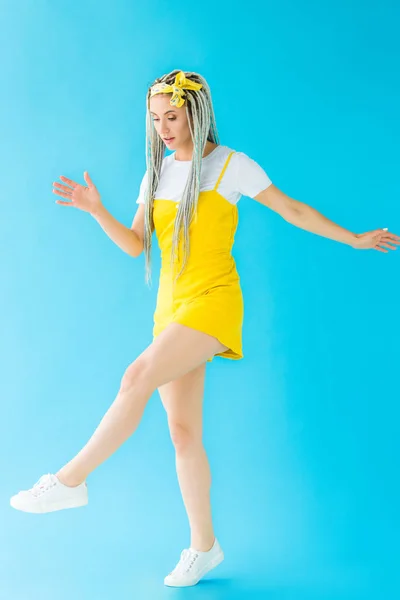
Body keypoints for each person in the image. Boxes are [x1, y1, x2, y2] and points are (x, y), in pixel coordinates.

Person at [9, 70, 399, 587]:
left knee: (135, 378)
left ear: (196, 112)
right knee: (183, 433)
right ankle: (204, 547)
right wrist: (95, 209)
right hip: (169, 311)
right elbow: (135, 245)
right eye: (155, 120)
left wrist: (352, 239)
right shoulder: (156, 174)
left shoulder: (231, 166)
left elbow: (292, 208)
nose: (163, 129)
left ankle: (69, 480)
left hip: (213, 303)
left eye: (172, 117)